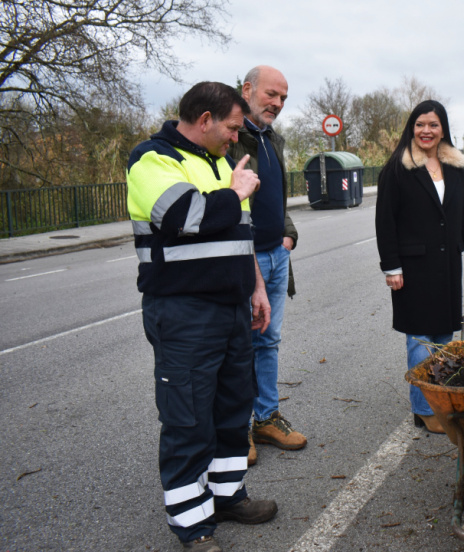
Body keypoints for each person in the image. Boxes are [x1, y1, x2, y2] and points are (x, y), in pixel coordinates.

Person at [127, 82, 278, 552]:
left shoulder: (221, 162)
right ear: (205, 119)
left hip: (231, 306)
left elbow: (240, 234)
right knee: (188, 417)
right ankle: (192, 524)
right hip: (184, 310)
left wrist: (256, 287)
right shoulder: (153, 159)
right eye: (232, 127)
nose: (236, 136)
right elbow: (184, 216)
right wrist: (235, 192)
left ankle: (227, 495)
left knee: (233, 408)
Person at [375, 100, 464, 434]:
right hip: (413, 269)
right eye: (420, 124)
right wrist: (391, 267)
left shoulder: (455, 167)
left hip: (447, 264)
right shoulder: (398, 169)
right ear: (412, 128)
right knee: (420, 338)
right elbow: (385, 222)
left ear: (443, 129)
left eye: (433, 125)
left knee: (443, 336)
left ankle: (440, 401)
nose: (426, 131)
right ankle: (424, 409)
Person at [228, 65, 306, 467]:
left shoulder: (271, 138)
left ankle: (266, 418)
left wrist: (288, 234)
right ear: (247, 90)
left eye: (283, 98)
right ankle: (237, 428)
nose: (277, 103)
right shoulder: (231, 138)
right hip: (247, 259)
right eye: (271, 94)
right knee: (240, 344)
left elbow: (276, 198)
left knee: (268, 341)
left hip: (277, 255)